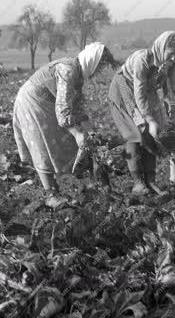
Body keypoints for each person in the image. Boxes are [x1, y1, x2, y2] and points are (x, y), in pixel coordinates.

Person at [13, 42, 119, 206]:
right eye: (99, 66)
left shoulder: (77, 74)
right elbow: (63, 110)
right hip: (33, 103)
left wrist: (91, 132)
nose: (98, 72)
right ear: (93, 61)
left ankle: (94, 188)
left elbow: (77, 107)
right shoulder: (68, 70)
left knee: (81, 141)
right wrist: (77, 134)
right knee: (43, 143)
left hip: (47, 103)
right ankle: (51, 195)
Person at [109, 31, 175, 194]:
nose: (173, 58)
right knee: (135, 134)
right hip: (124, 90)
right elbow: (139, 92)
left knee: (152, 135)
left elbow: (170, 91)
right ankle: (137, 182)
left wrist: (174, 115)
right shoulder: (142, 59)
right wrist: (149, 119)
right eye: (170, 53)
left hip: (147, 93)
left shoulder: (170, 66)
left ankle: (151, 180)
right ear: (161, 47)